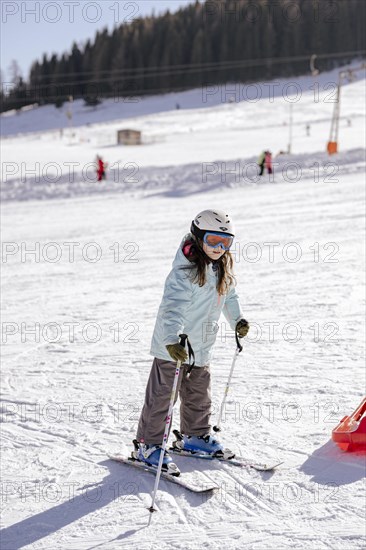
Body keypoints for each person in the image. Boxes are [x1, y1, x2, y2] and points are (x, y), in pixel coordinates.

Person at [133, 209, 250, 474]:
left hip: (201, 347)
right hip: (173, 346)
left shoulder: (222, 268)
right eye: (213, 241)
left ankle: (195, 436)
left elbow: (229, 298)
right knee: (163, 397)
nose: (219, 248)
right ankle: (148, 444)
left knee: (199, 395)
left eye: (226, 242)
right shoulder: (184, 272)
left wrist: (237, 320)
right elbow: (172, 309)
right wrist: (172, 341)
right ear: (198, 238)